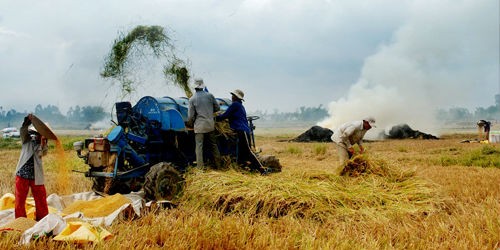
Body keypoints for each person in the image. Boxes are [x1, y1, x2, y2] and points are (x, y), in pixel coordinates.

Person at [216, 89, 267, 174]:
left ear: (236, 97)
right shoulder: (239, 106)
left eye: (233, 95)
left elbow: (225, 115)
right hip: (240, 130)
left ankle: (262, 169)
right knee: (241, 151)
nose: (231, 97)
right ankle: (245, 167)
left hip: (242, 130)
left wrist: (215, 118)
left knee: (248, 150)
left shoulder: (235, 105)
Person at [14, 114, 49, 221]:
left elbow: (43, 153)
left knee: (41, 199)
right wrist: (27, 121)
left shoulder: (43, 144)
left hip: (36, 176)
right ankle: (20, 221)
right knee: (20, 200)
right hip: (22, 174)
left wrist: (43, 143)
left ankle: (42, 219)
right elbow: (23, 131)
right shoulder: (27, 140)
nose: (38, 136)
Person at [188, 79, 222, 168]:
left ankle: (200, 168)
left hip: (199, 127)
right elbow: (217, 108)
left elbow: (190, 117)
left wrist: (190, 124)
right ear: (202, 86)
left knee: (199, 147)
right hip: (210, 125)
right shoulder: (210, 96)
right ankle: (218, 165)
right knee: (214, 145)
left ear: (195, 88)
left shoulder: (192, 99)